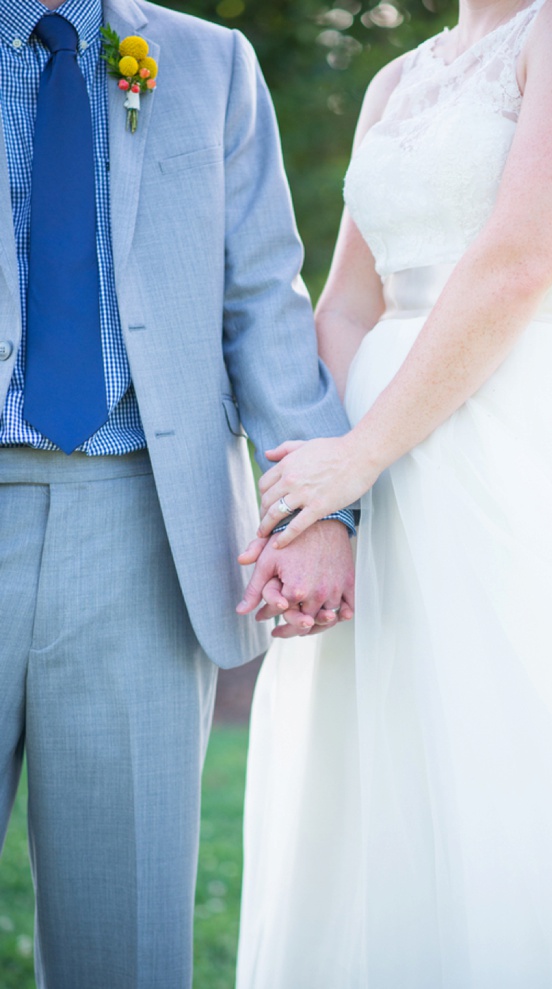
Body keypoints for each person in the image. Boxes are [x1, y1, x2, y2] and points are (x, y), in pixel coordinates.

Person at [236, 0, 552, 985]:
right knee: (376, 783)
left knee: (522, 758)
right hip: (383, 474)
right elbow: (345, 300)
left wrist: (362, 454)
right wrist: (335, 500)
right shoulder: (398, 78)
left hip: (525, 455)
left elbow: (518, 265)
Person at [0, 0, 356, 987]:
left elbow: (262, 302)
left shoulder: (210, 66)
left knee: (129, 942)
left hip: (141, 533)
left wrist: (314, 507)